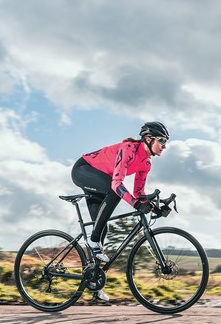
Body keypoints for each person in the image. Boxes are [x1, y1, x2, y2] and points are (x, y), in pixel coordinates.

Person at [71, 121, 170, 300]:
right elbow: (117, 185)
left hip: (101, 178)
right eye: (162, 140)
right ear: (148, 139)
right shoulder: (129, 149)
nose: (164, 146)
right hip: (83, 170)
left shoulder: (146, 163)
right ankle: (93, 241)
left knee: (102, 228)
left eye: (166, 142)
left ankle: (93, 281)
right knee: (113, 192)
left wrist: (156, 206)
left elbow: (138, 193)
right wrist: (136, 205)